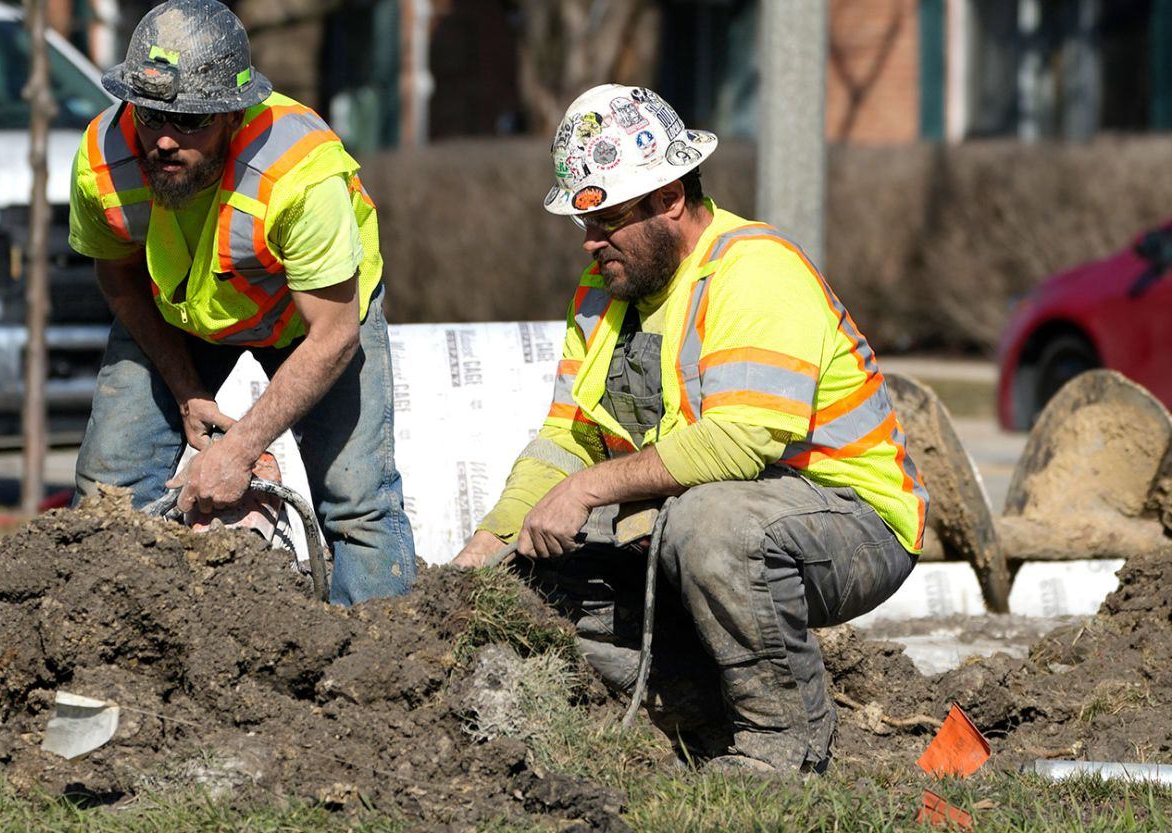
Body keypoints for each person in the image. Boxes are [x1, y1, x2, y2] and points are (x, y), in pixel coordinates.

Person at [453, 85, 929, 773]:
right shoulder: (602, 293)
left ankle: (785, 746)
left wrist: (588, 489)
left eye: (607, 219)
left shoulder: (755, 271)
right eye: (583, 223)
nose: (591, 243)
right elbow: (567, 438)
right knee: (534, 575)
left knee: (712, 527)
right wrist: (492, 541)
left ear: (670, 198)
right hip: (699, 522)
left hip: (852, 523)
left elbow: (740, 440)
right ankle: (701, 701)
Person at [68, 0, 416, 605]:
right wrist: (185, 390)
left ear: (233, 113)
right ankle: (100, 660)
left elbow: (333, 337)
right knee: (107, 493)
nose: (166, 140)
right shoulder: (102, 158)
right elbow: (120, 278)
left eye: (192, 122)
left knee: (359, 507)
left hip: (309, 329)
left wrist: (240, 447)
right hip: (177, 315)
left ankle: (377, 678)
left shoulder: (301, 174)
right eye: (150, 115)